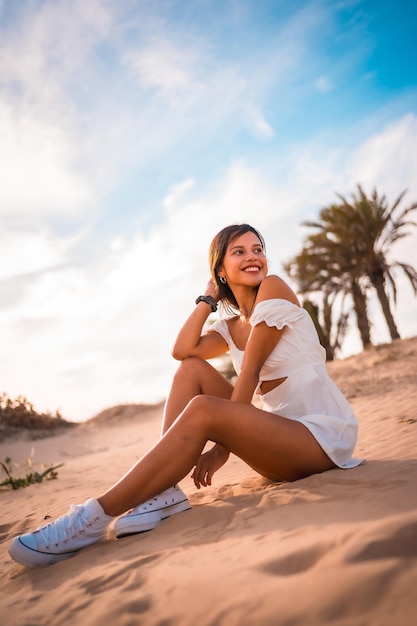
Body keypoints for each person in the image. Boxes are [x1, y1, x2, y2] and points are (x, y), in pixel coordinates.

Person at [9, 223, 361, 568]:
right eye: (239, 252)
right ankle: (163, 493)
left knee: (204, 408)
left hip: (320, 438)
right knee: (190, 370)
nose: (253, 257)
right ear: (220, 270)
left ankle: (92, 517)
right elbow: (182, 350)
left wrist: (222, 448)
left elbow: (250, 372)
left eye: (258, 250)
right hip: (279, 441)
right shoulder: (233, 325)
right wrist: (208, 299)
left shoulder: (274, 289)